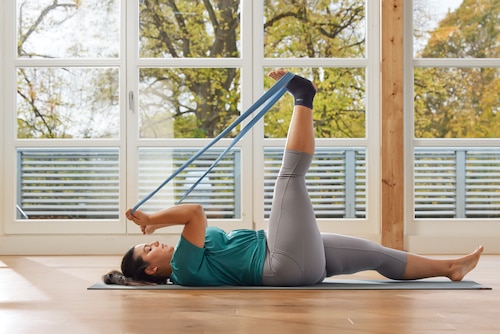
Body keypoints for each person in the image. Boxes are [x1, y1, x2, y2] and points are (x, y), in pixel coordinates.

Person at [109, 70, 483, 286]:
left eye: (149, 243)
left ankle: (450, 267)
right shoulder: (183, 269)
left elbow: (192, 218)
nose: (153, 244)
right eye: (147, 250)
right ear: (153, 268)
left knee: (376, 255)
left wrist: (155, 223)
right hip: (281, 263)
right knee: (288, 178)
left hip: (289, 256)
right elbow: (194, 211)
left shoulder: (184, 256)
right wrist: (151, 220)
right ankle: (304, 97)